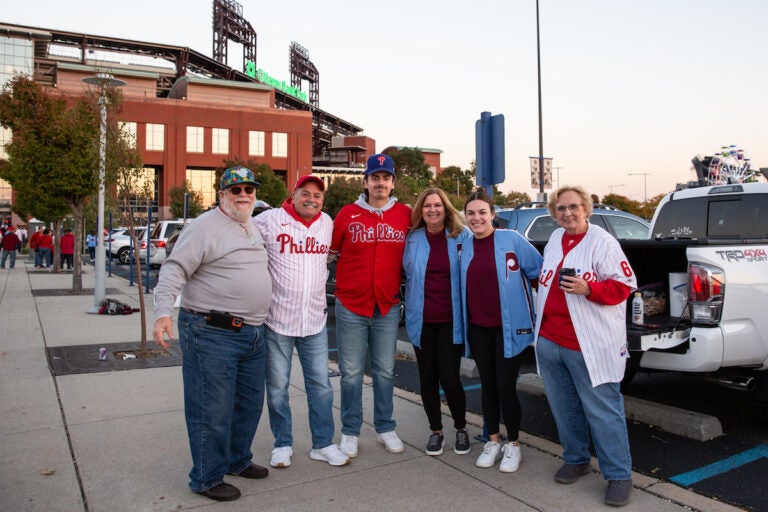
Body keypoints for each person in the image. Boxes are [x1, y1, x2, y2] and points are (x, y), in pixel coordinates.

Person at [152, 166, 272, 502]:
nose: (244, 195)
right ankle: (206, 476)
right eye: (236, 190)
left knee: (248, 405)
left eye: (249, 189)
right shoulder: (204, 227)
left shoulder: (251, 224)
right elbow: (175, 268)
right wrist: (163, 312)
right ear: (222, 195)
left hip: (252, 333)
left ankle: (236, 459)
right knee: (211, 409)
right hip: (211, 332)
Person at [533, 186, 637, 507]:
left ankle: (619, 475)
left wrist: (589, 288)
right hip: (551, 340)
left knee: (604, 411)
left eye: (573, 207)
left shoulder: (603, 242)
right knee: (565, 407)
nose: (567, 213)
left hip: (589, 343)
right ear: (554, 213)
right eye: (561, 209)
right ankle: (576, 458)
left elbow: (624, 285)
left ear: (586, 209)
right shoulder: (554, 240)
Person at [253, 175, 350, 469]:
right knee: (279, 387)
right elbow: (239, 237)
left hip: (314, 321)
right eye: (305, 193)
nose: (311, 199)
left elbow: (334, 256)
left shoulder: (327, 223)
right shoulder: (270, 219)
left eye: (317, 195)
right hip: (277, 320)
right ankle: (283, 443)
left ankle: (323, 443)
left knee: (321, 386)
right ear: (293, 195)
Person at [330, 153, 411, 458]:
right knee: (350, 372)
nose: (380, 183)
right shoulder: (347, 214)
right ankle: (350, 431)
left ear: (392, 183)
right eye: (374, 177)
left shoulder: (405, 214)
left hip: (387, 306)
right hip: (352, 304)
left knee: (385, 371)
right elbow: (329, 253)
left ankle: (385, 426)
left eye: (385, 178)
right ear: (365, 182)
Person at [460, 188, 542, 473]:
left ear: (493, 215)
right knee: (488, 387)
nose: (476, 217)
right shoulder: (465, 245)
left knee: (505, 387)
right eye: (471, 213)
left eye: (482, 212)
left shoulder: (512, 240)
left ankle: (514, 445)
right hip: (479, 329)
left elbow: (538, 273)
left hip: (511, 330)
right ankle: (492, 440)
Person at [402, 187, 472, 456]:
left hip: (450, 322)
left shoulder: (461, 237)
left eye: (438, 205)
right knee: (427, 379)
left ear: (446, 208)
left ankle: (462, 428)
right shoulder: (413, 239)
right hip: (422, 323)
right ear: (421, 210)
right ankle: (436, 431)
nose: (433, 210)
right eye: (427, 206)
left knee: (450, 378)